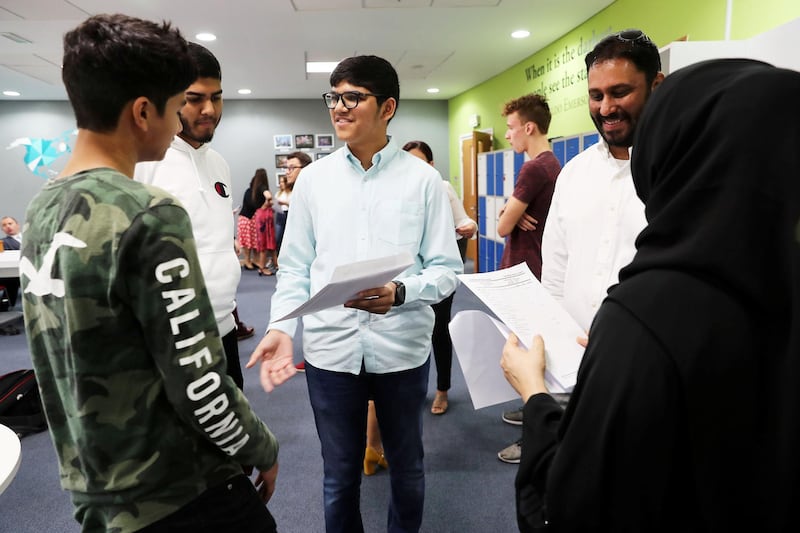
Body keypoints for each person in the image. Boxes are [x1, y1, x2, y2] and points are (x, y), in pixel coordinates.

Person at [501, 57, 800, 533]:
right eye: (595, 96)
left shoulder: (647, 315)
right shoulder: (775, 280)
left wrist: (535, 394)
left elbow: (571, 506)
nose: (605, 107)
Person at [18, 14, 279, 532]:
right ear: (143, 112)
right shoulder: (145, 211)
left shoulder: (42, 207)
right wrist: (261, 447)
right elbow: (198, 382)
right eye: (173, 106)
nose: (183, 118)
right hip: (176, 486)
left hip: (100, 482)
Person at [246, 55, 462, 533]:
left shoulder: (423, 181)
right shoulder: (314, 182)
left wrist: (401, 290)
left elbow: (447, 269)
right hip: (331, 351)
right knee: (339, 477)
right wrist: (282, 326)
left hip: (401, 348)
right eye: (334, 97)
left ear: (387, 107)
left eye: (352, 97)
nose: (339, 108)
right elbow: (295, 266)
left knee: (407, 469)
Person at [498, 28, 664, 465]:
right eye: (596, 95)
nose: (605, 107)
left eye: (620, 92)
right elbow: (554, 271)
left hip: (647, 371)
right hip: (573, 368)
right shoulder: (572, 175)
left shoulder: (680, 175)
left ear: (657, 85)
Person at [135, 41, 252, 390]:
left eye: (215, 97)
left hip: (223, 328)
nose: (209, 109)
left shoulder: (219, 164)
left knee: (231, 438)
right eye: (194, 98)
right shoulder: (142, 162)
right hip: (170, 340)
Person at [403, 140, 477, 414]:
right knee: (409, 329)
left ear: (431, 165)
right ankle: (412, 388)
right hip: (408, 275)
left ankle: (442, 390)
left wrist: (467, 227)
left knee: (438, 330)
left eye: (420, 162)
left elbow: (467, 222)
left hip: (438, 273)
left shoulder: (442, 187)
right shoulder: (397, 191)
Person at [496, 94, 561, 279]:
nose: (507, 135)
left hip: (524, 270)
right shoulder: (552, 163)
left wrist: (509, 212)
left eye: (510, 128)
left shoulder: (533, 168)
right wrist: (513, 213)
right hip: (538, 265)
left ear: (529, 128)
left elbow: (502, 228)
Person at [239, 168, 271, 272]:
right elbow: (253, 205)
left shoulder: (257, 193)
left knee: (254, 242)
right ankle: (247, 261)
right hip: (246, 219)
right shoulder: (249, 192)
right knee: (247, 243)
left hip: (253, 220)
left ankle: (255, 261)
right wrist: (264, 206)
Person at [254, 187, 278, 276]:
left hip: (266, 222)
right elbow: (268, 198)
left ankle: (276, 265)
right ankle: (262, 267)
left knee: (272, 246)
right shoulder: (262, 191)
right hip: (263, 222)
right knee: (263, 245)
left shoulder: (266, 209)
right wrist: (270, 200)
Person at [1, 216, 22, 306]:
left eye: (10, 223)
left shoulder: (30, 237)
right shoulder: (3, 243)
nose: (8, 226)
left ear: (17, 225)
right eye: (4, 225)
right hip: (14, 273)